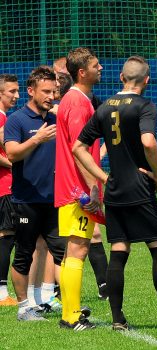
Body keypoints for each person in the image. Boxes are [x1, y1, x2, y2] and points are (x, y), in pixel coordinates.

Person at [72, 55, 157, 331]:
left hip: (116, 191)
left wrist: (103, 177)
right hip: (141, 190)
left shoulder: (105, 107)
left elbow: (78, 148)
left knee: (119, 251)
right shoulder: (144, 106)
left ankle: (118, 320)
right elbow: (148, 141)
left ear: (121, 78)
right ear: (147, 80)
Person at [4, 66, 66, 321]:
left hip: (54, 199)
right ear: (31, 91)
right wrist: (37, 139)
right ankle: (23, 307)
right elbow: (11, 153)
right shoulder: (17, 119)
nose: (51, 96)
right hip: (26, 200)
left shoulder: (54, 118)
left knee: (62, 252)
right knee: (24, 254)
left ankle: (68, 303)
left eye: (54, 91)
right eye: (45, 91)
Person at [55, 47, 104, 331]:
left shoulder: (80, 99)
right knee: (78, 249)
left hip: (74, 188)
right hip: (78, 190)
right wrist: (93, 189)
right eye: (96, 66)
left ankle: (71, 309)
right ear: (82, 72)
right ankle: (70, 317)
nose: (101, 69)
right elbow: (78, 149)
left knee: (74, 249)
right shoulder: (77, 102)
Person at [0, 74, 19, 306]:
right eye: (11, 92)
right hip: (5, 187)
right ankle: (2, 293)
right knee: (6, 237)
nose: (16, 95)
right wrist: (17, 165)